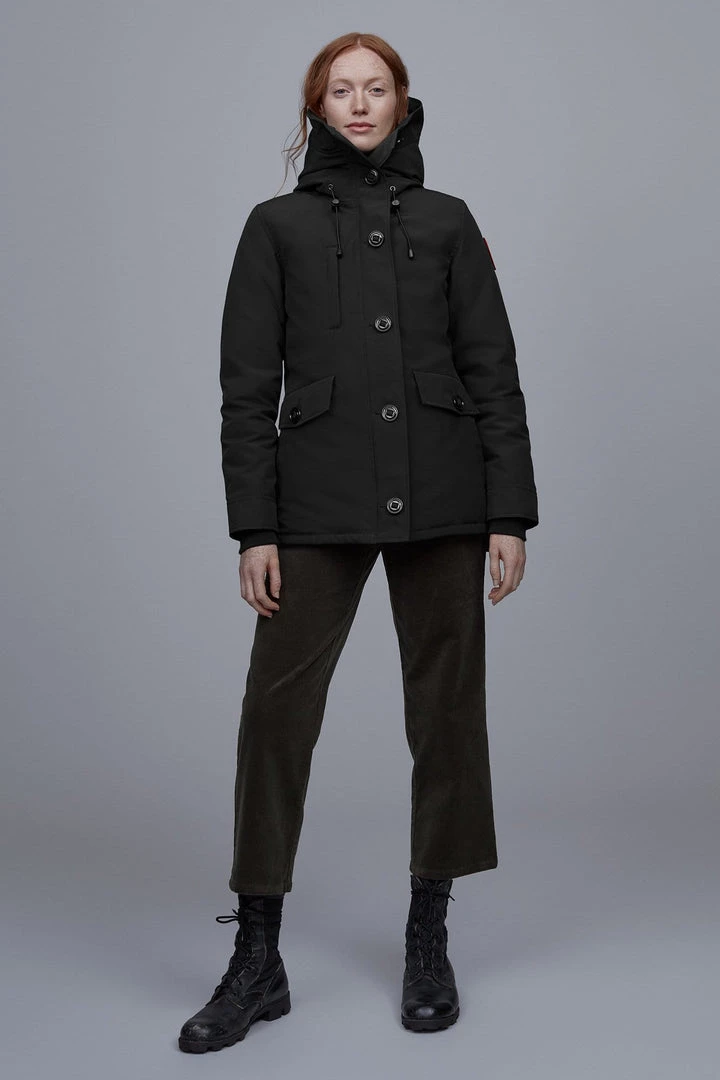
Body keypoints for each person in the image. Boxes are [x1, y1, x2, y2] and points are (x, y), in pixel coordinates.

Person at [178, 32, 539, 1053]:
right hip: (317, 499)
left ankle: (430, 933)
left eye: (377, 88)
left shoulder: (448, 221)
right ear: (317, 108)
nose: (362, 103)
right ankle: (258, 954)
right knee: (275, 715)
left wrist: (507, 512)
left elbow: (494, 370)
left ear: (402, 101)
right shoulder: (275, 228)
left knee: (448, 711)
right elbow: (245, 390)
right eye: (342, 90)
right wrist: (255, 527)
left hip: (446, 494)